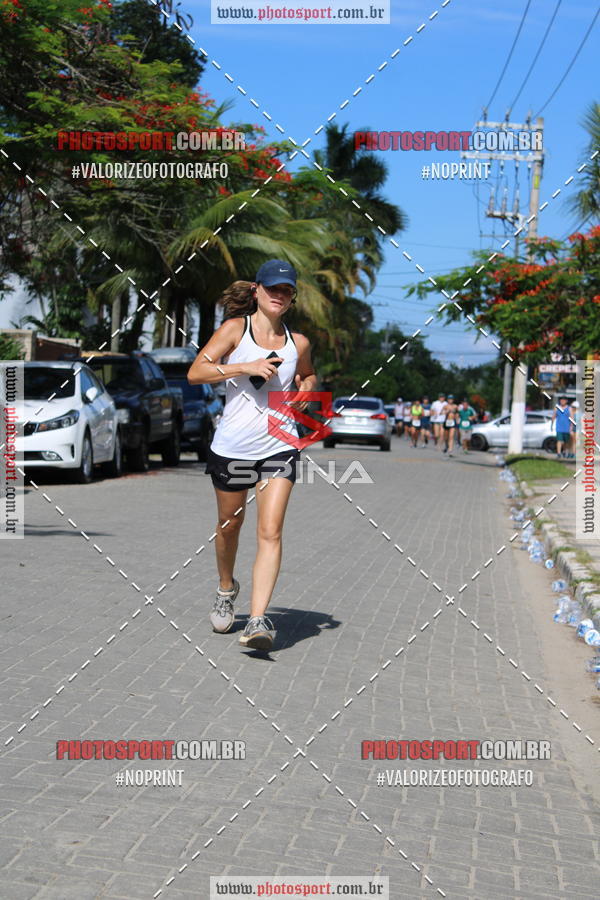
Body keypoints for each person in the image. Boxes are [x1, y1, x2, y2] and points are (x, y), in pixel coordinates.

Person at [187, 259, 317, 652]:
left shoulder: (300, 342)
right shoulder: (234, 330)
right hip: (232, 445)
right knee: (230, 526)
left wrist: (307, 390)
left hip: (279, 443)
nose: (279, 295)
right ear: (257, 291)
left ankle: (258, 619)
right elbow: (196, 372)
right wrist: (245, 366)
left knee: (270, 531)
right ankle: (227, 587)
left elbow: (308, 374)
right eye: (273, 288)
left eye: (287, 290)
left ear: (292, 298)